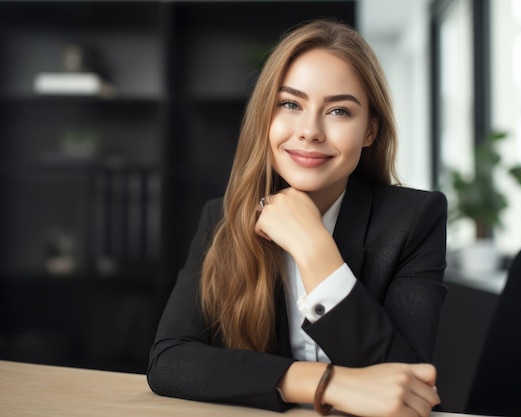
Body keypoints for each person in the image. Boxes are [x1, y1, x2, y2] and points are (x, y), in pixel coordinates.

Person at [147, 18, 446, 417]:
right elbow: (169, 361)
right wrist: (324, 383)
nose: (310, 131)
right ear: (265, 117)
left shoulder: (414, 220)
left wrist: (314, 247)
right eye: (290, 104)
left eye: (339, 111)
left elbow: (406, 387)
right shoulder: (221, 218)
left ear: (370, 131)